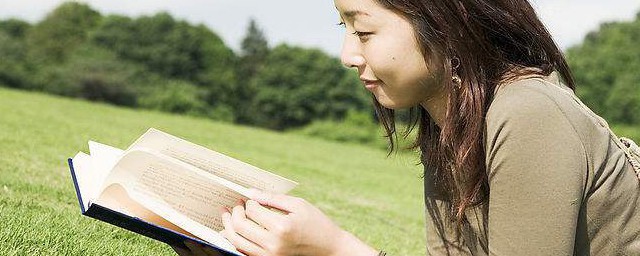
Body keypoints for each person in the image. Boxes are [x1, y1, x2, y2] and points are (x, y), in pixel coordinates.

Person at [176, 0, 640, 255]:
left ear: (444, 22)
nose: (347, 55)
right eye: (344, 28)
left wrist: (334, 249)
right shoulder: (449, 123)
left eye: (363, 32)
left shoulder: (527, 113)